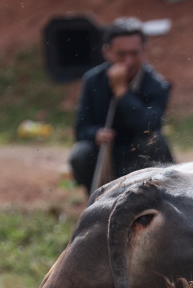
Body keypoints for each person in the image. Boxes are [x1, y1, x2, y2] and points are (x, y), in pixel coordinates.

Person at [69, 17, 174, 195]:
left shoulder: (158, 86)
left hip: (139, 160)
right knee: (81, 152)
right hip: (105, 157)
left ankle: (151, 199)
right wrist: (96, 134)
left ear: (145, 50)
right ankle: (96, 197)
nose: (128, 61)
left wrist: (122, 93)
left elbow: (148, 125)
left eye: (134, 53)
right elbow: (81, 129)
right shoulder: (93, 80)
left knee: (154, 143)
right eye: (121, 54)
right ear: (107, 52)